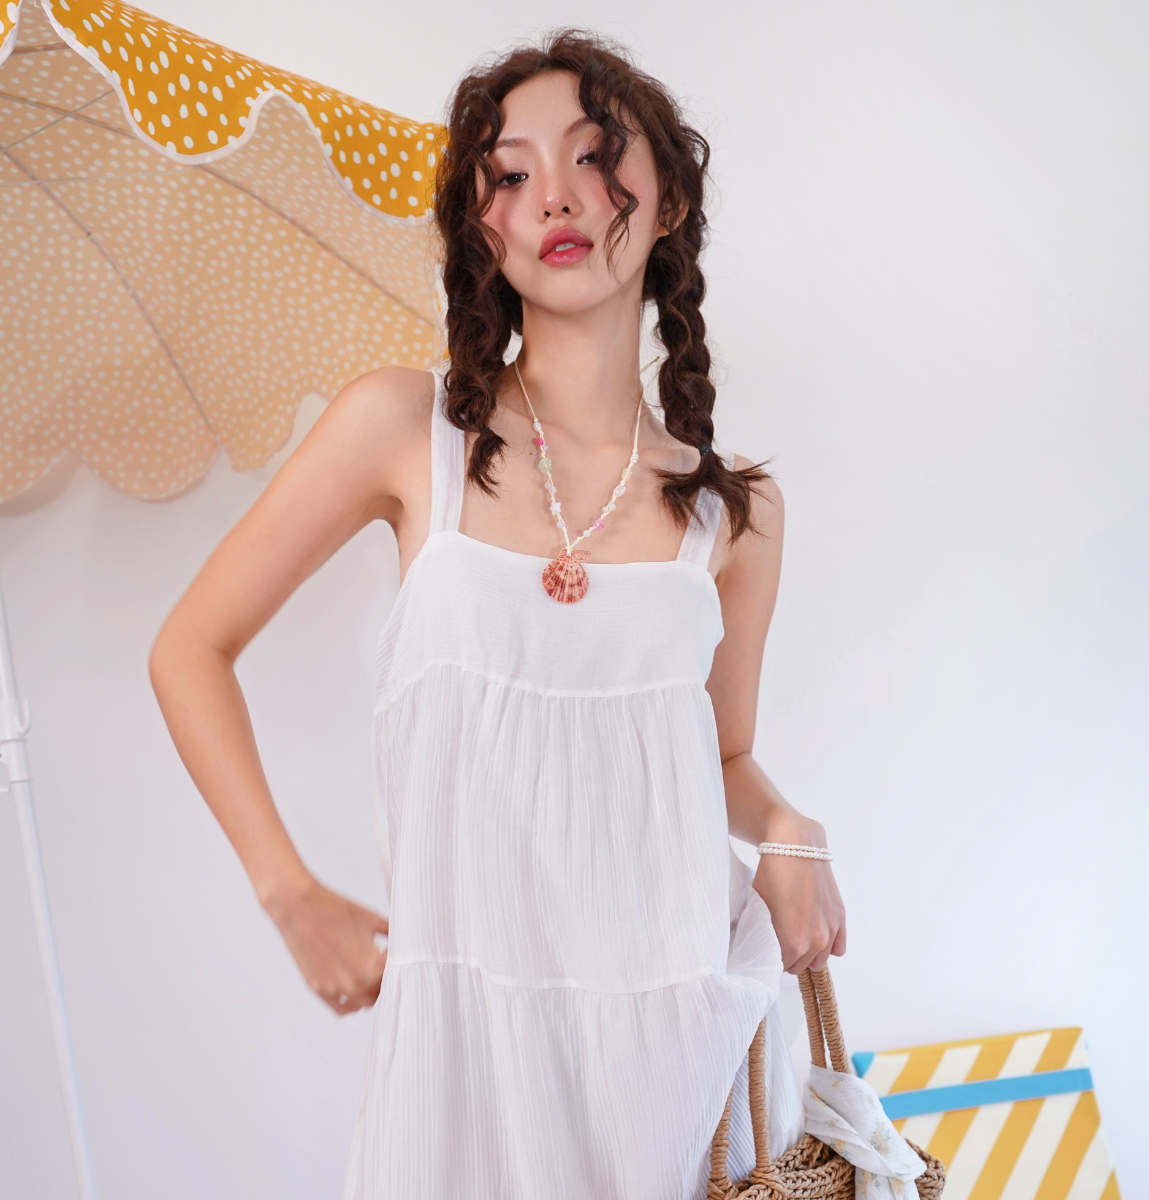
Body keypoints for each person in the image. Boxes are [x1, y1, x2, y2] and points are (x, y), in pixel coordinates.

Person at [150, 29, 846, 1200]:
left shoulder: (735, 512)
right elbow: (190, 648)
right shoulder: (403, 428)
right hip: (465, 1060)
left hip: (675, 1054)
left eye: (594, 155)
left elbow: (722, 756)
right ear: (483, 228)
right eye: (510, 174)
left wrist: (788, 830)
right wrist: (287, 888)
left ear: (670, 200)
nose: (555, 197)